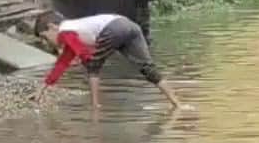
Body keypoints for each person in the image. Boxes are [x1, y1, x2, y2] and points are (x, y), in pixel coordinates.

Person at [33, 11, 184, 111]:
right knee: (147, 68)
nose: (46, 43)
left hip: (113, 28)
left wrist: (82, 59)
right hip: (129, 25)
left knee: (92, 66)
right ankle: (177, 104)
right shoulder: (72, 29)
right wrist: (42, 88)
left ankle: (95, 107)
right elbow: (61, 64)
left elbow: (84, 53)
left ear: (52, 27)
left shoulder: (64, 32)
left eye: (45, 37)